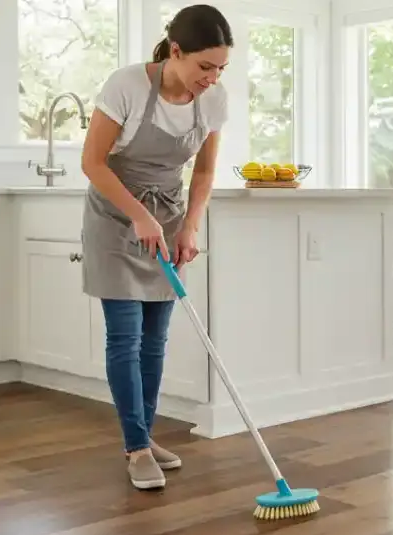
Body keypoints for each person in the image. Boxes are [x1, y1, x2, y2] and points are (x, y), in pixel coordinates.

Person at [80, 4, 233, 490]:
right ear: (175, 51)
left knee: (156, 338)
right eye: (204, 66)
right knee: (124, 336)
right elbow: (93, 163)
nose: (211, 78)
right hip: (115, 214)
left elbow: (204, 172)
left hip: (166, 216)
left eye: (221, 68)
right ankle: (136, 446)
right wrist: (138, 215)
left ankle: (144, 435)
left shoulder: (213, 100)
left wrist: (189, 227)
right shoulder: (126, 85)